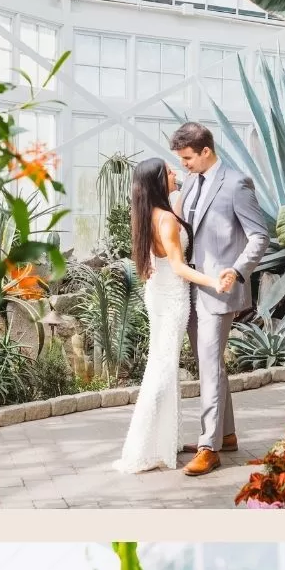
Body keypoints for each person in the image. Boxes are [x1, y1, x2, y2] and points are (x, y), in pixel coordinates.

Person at [170, 123, 271, 478]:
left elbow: (260, 236)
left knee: (209, 366)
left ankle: (207, 448)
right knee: (208, 363)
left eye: (187, 158)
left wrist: (238, 270)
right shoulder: (192, 183)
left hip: (220, 288)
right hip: (192, 286)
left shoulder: (237, 184)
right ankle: (225, 435)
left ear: (205, 152)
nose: (184, 165)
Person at [113, 158, 223, 476]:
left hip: (157, 295)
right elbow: (178, 266)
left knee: (162, 366)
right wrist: (214, 280)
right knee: (161, 372)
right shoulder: (167, 221)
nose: (176, 173)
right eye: (170, 172)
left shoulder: (147, 214)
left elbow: (177, 202)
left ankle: (163, 443)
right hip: (173, 298)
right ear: (159, 181)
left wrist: (186, 185)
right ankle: (141, 448)